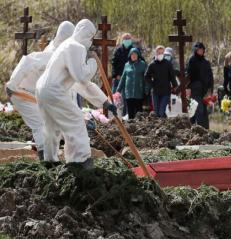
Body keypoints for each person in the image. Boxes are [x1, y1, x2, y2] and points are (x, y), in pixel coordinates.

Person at [35, 19, 117, 169]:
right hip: (54, 91)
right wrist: (92, 63)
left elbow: (80, 84)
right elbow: (82, 77)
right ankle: (79, 161)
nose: (91, 41)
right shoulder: (75, 47)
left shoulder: (66, 46)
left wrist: (104, 102)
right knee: (76, 121)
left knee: (51, 127)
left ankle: (50, 161)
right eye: (91, 37)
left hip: (42, 90)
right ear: (85, 34)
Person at [5, 21, 75, 161]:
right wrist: (12, 84)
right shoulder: (52, 55)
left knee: (50, 125)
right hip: (21, 92)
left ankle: (48, 155)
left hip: (38, 95)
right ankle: (44, 157)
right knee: (39, 123)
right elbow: (27, 61)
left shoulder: (64, 55)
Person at [186, 42, 214, 129]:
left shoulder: (206, 62)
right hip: (195, 89)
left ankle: (204, 130)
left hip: (205, 90)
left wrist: (210, 90)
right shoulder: (192, 60)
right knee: (198, 109)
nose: (201, 51)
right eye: (199, 50)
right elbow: (188, 75)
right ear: (195, 50)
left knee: (203, 111)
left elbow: (210, 76)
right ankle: (198, 130)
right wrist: (188, 88)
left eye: (202, 50)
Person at [145, 45, 178, 117]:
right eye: (159, 53)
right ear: (156, 54)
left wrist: (175, 86)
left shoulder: (168, 64)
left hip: (166, 91)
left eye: (162, 53)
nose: (160, 54)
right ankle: (160, 126)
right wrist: (152, 83)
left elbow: (172, 76)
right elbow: (146, 76)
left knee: (161, 111)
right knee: (156, 112)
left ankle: (164, 123)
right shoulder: (152, 64)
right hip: (155, 91)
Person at [117, 48, 149, 119]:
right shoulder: (127, 65)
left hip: (139, 92)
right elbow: (123, 78)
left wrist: (147, 88)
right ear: (130, 56)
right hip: (129, 93)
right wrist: (118, 90)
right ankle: (130, 127)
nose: (133, 56)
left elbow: (146, 78)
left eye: (135, 54)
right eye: (132, 54)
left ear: (138, 55)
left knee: (138, 113)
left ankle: (139, 126)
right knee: (130, 113)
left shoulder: (143, 64)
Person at [112, 33, 135, 116]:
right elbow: (113, 63)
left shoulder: (134, 50)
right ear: (122, 40)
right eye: (125, 38)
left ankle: (126, 115)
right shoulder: (118, 50)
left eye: (128, 38)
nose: (127, 40)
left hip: (129, 79)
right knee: (115, 97)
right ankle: (114, 115)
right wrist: (116, 75)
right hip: (118, 78)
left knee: (127, 98)